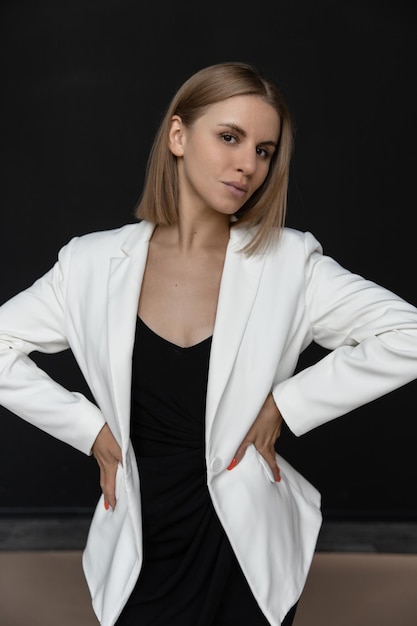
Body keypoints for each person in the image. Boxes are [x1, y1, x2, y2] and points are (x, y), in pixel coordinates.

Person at [1, 61, 417, 626]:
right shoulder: (92, 264)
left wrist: (285, 407)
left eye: (265, 150)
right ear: (178, 136)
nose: (248, 164)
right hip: (140, 543)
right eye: (230, 137)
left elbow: (407, 334)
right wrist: (89, 430)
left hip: (245, 554)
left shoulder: (291, 263)